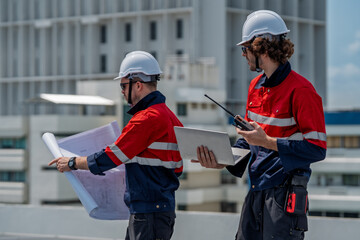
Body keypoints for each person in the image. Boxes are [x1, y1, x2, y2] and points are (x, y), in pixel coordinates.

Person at [194, 10, 326, 240]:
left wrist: (267, 142)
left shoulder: (302, 91)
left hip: (284, 196)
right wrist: (223, 162)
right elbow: (248, 141)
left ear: (261, 48)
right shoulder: (255, 86)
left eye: (245, 49)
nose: (243, 55)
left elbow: (317, 149)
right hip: (255, 191)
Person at [49, 51, 183, 240]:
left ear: (137, 84)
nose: (121, 90)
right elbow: (177, 169)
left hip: (148, 214)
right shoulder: (171, 117)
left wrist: (72, 162)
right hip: (160, 212)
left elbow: (111, 157)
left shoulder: (146, 119)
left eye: (123, 85)